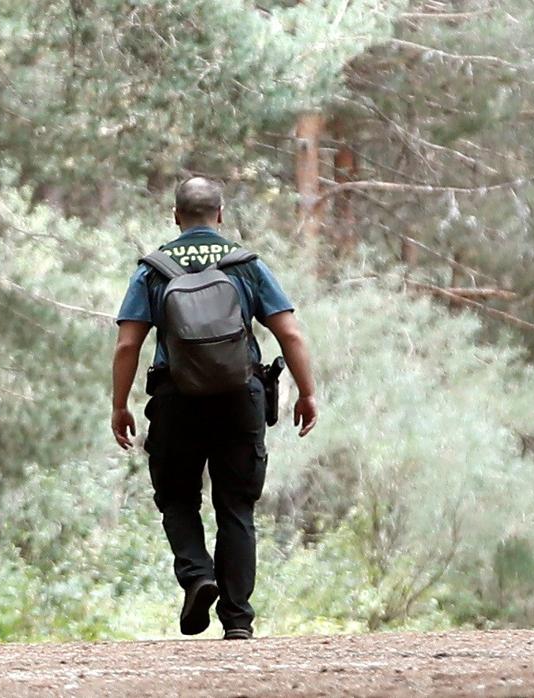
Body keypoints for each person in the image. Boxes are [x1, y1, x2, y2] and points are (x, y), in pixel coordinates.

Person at [111, 176, 317, 640]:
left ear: (176, 216)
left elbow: (128, 344)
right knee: (236, 507)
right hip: (239, 398)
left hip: (175, 399)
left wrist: (120, 404)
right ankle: (238, 621)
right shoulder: (244, 264)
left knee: (177, 498)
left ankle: (197, 575)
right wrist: (306, 391)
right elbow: (290, 334)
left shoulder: (154, 268)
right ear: (220, 215)